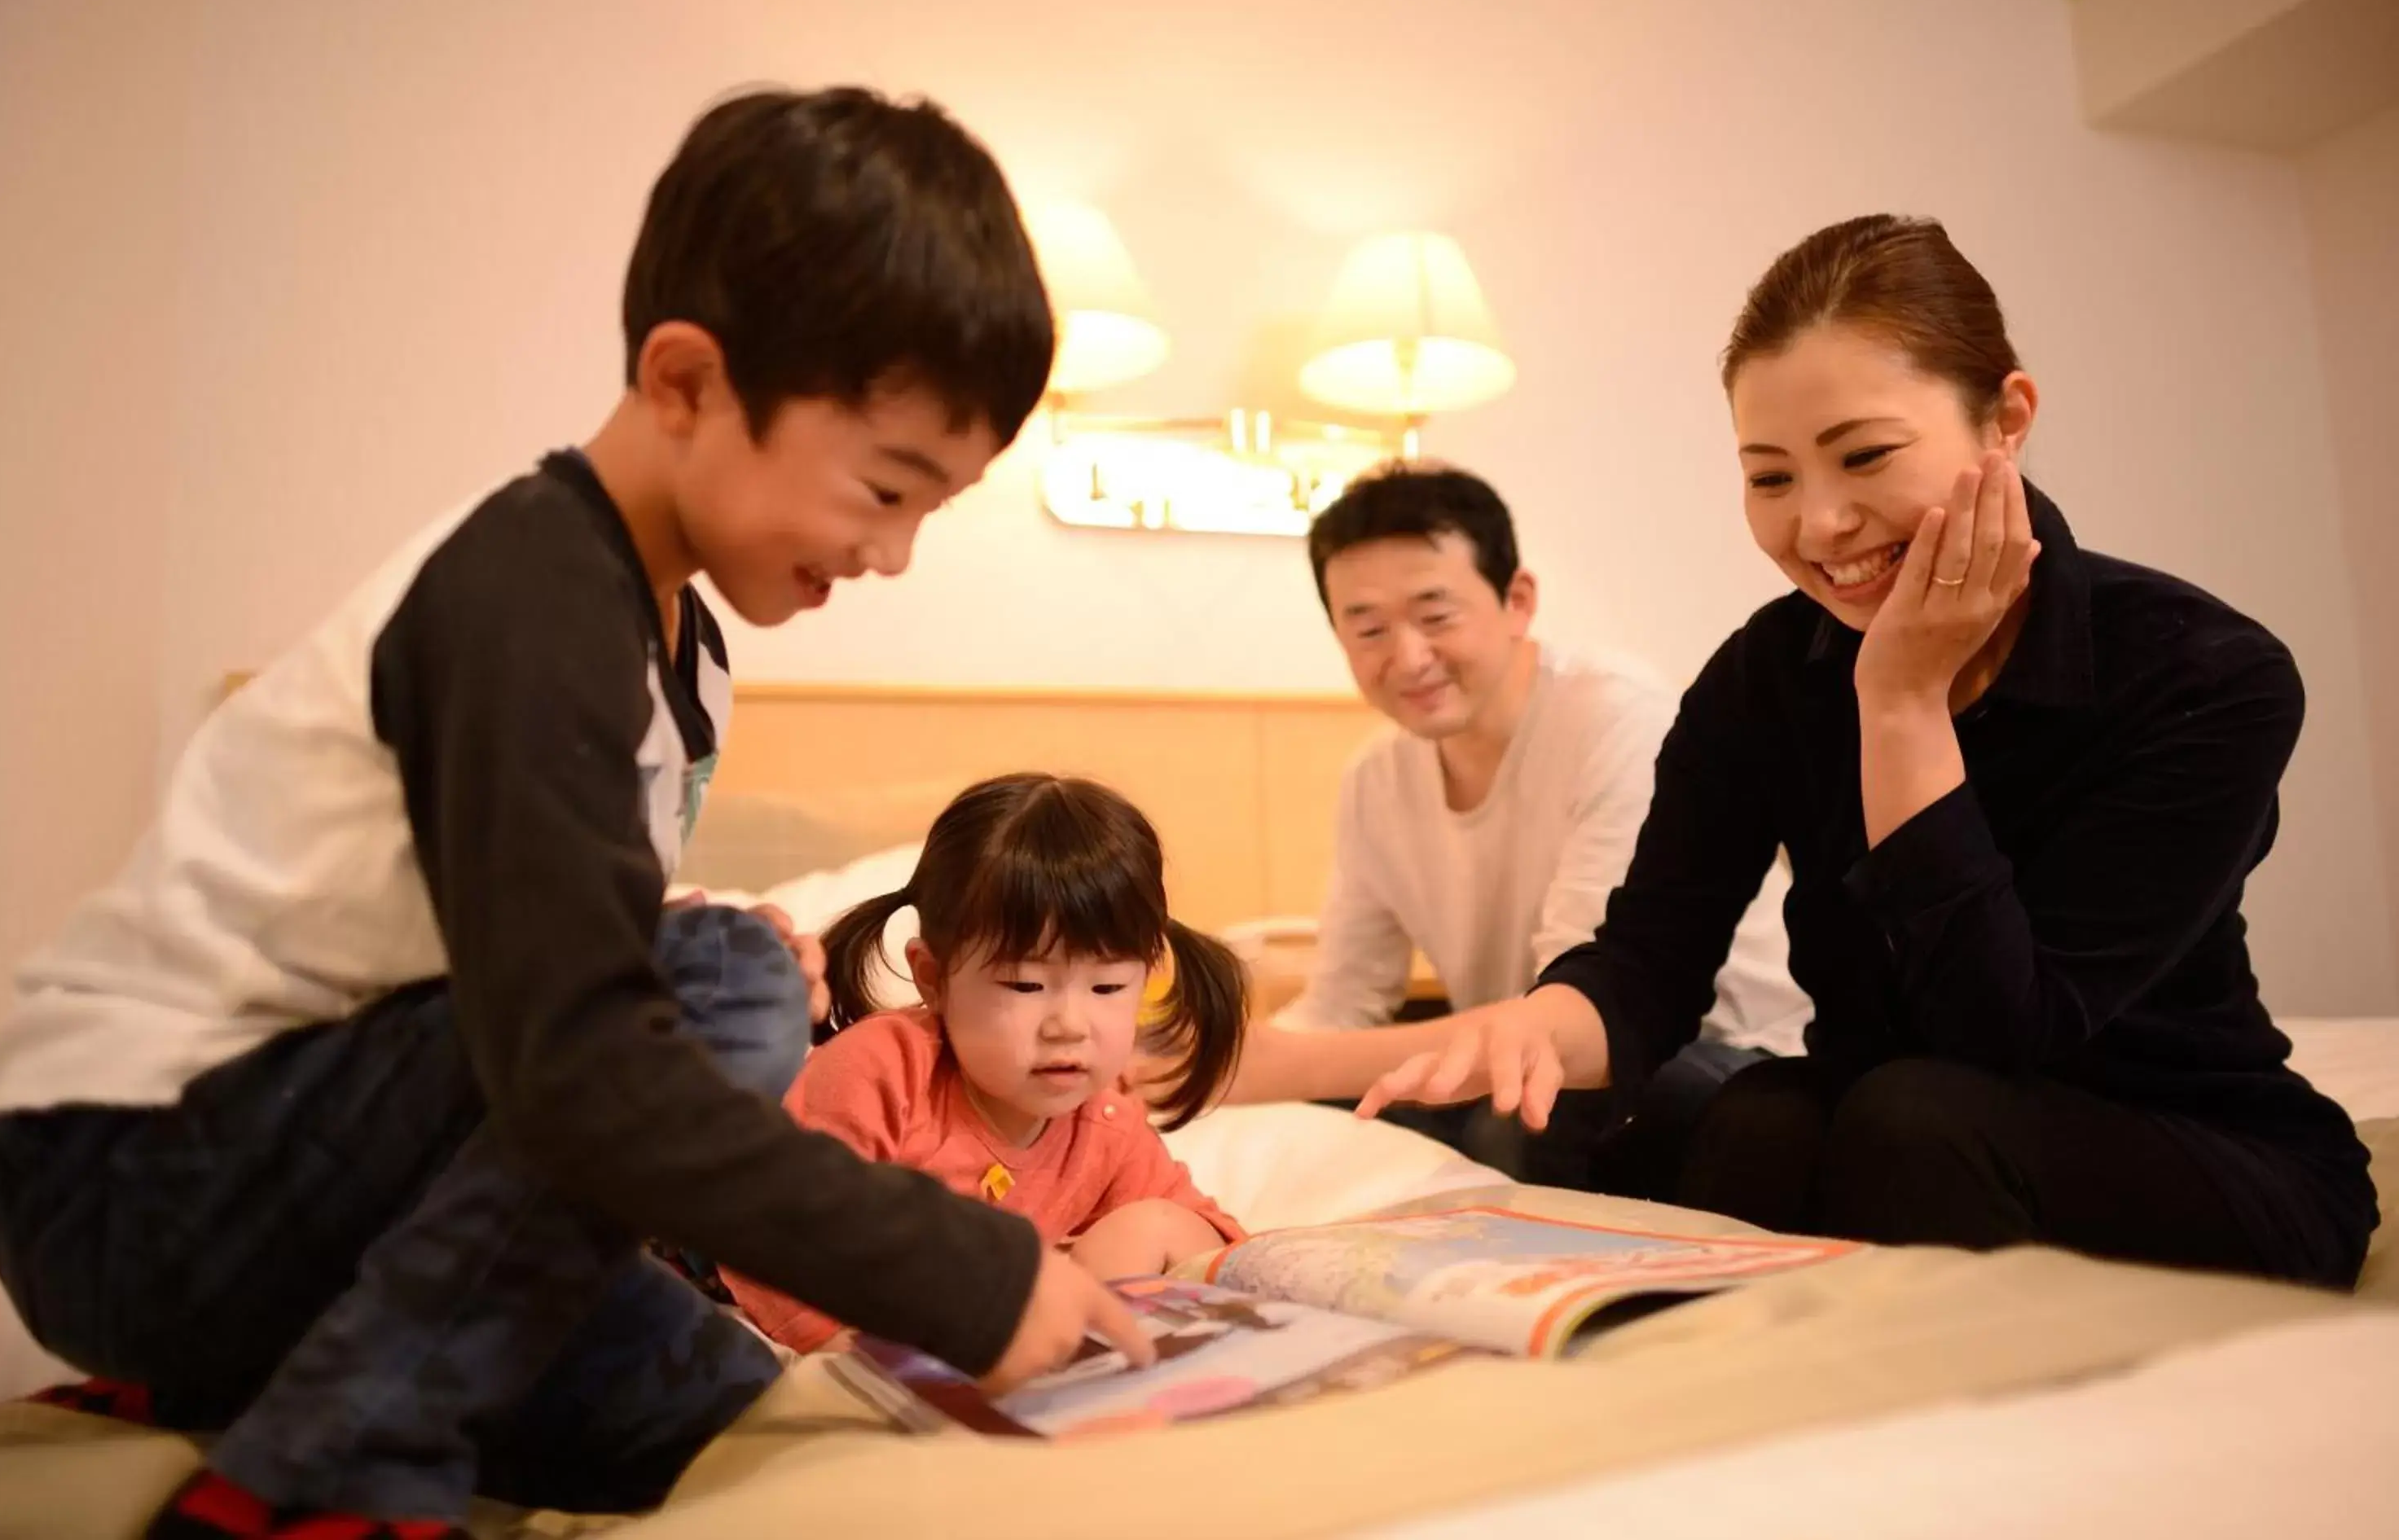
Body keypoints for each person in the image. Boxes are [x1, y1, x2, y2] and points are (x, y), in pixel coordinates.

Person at [0, 87, 1151, 1540]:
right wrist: (968, 1266)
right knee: (713, 983)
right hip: (130, 1170)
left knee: (717, 1407)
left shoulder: (680, 648)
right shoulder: (528, 596)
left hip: (324, 1213)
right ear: (689, 383)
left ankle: (238, 1389)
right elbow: (585, 1069)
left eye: (931, 512)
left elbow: (527, 961)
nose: (892, 554)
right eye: (883, 488)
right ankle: (310, 1477)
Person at [1354, 213, 2377, 1288]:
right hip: (1909, 1119)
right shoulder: (1763, 676)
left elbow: (1999, 1029)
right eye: (1772, 477)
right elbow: (1654, 956)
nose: (1824, 523)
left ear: (2006, 421)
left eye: (1865, 457)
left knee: (1909, 1117)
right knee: (1746, 1122)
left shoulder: (2202, 670)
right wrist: (1533, 1027)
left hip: (2195, 1146)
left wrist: (1899, 700)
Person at [1262, 462, 1810, 1194]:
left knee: (1533, 1111)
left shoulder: (1613, 716)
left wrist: (1280, 1066)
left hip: (1714, 1053)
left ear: (1517, 600)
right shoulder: (1376, 779)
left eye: (1435, 616)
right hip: (1529, 1062)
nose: (1409, 657)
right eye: (1368, 629)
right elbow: (1342, 1003)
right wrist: (1220, 1064)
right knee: (1347, 1114)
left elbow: (1588, 1010)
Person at [727, 773, 1249, 1354]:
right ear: (933, 978)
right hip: (835, 1327)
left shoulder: (1105, 1124)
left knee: (1153, 1223)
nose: (1069, 1025)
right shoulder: (879, 1072)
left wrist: (1133, 1245)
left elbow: (1222, 1251)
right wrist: (871, 1357)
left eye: (1106, 987)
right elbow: (771, 1241)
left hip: (1018, 1364)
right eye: (1025, 985)